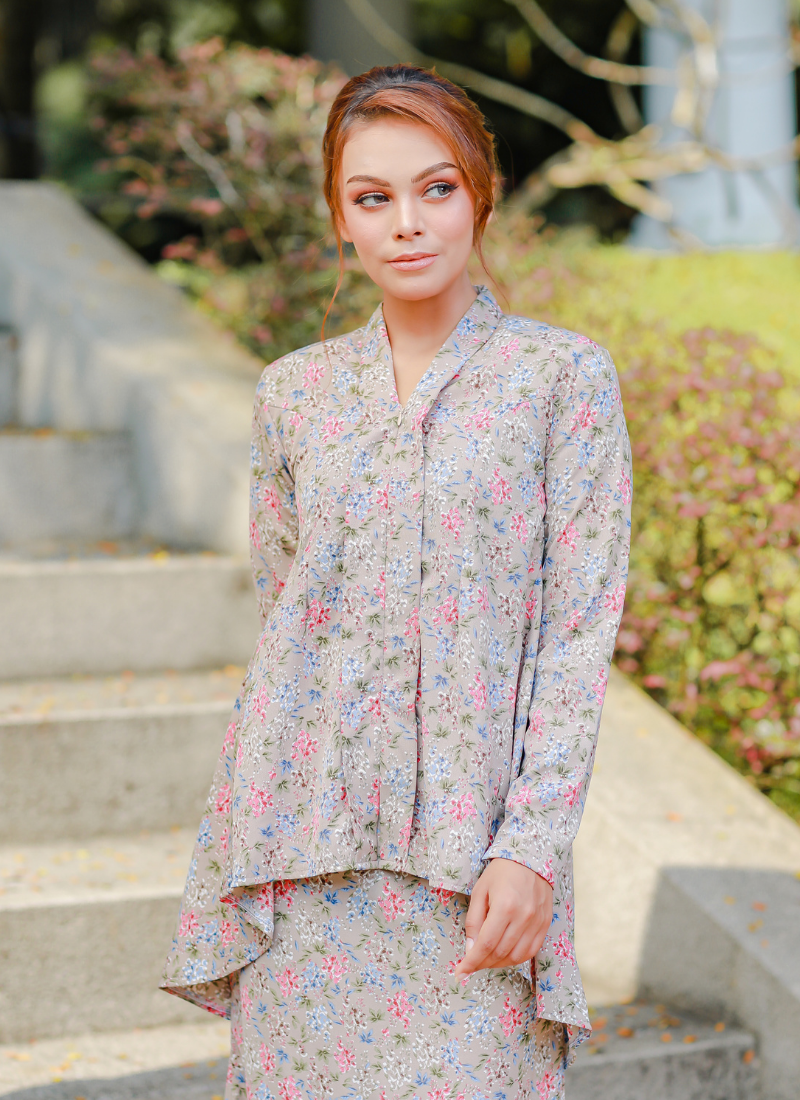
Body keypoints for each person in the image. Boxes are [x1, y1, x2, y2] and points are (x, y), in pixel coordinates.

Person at [162, 64, 632, 1100]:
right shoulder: (293, 394)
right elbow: (286, 616)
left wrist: (532, 846)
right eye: (371, 197)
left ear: (480, 195)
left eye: (436, 188)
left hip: (476, 864)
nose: (407, 223)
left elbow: (578, 633)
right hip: (299, 852)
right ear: (340, 217)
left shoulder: (561, 380)